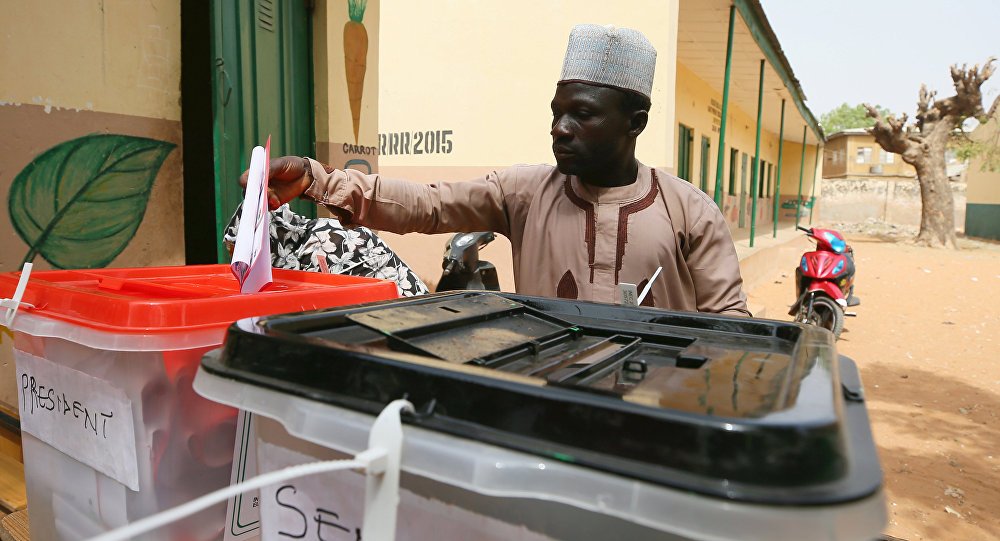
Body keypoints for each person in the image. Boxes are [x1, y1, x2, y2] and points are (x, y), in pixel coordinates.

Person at [243, 24, 750, 316]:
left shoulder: (688, 210)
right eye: (557, 112)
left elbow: (731, 328)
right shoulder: (525, 192)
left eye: (583, 115)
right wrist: (317, 179)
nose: (561, 128)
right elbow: (427, 204)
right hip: (545, 409)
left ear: (634, 123)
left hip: (656, 424)